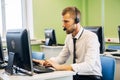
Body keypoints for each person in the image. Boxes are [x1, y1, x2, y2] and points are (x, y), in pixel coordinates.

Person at [33, 6, 102, 80]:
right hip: (76, 74)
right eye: (63, 21)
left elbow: (89, 65)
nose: (63, 25)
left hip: (91, 76)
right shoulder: (69, 37)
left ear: (77, 21)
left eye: (66, 21)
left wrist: (60, 67)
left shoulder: (91, 37)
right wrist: (46, 62)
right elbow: (61, 59)